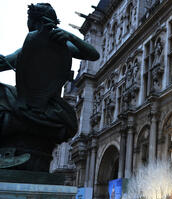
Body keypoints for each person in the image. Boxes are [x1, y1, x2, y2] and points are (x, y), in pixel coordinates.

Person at [0, 3, 100, 171]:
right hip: (25, 98)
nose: (35, 27)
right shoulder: (28, 46)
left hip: (47, 101)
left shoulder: (61, 44)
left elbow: (93, 54)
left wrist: (70, 36)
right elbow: (6, 61)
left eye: (38, 23)